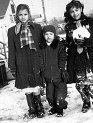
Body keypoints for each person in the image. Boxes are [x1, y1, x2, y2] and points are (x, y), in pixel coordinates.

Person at [8, 4, 45, 118]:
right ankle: (32, 108)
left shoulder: (37, 27)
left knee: (36, 85)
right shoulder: (12, 31)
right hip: (22, 62)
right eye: (20, 14)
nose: (23, 17)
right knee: (27, 86)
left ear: (29, 14)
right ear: (16, 16)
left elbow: (42, 45)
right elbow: (11, 49)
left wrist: (43, 60)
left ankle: (39, 106)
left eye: (25, 14)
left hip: (35, 60)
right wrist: (12, 66)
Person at [64, 0, 93, 113]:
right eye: (72, 11)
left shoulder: (90, 22)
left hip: (90, 55)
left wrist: (85, 42)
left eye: (76, 10)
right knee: (80, 82)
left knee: (91, 79)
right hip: (78, 57)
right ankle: (86, 102)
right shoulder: (68, 26)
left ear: (81, 9)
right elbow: (68, 43)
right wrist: (68, 43)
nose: (75, 13)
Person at [40, 25, 68, 117]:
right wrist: (42, 70)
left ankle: (60, 108)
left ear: (54, 34)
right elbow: (40, 59)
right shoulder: (42, 47)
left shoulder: (58, 45)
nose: (48, 36)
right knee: (50, 97)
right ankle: (55, 107)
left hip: (58, 75)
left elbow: (63, 57)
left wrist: (62, 68)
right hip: (48, 77)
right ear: (43, 35)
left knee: (59, 96)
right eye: (46, 34)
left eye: (51, 34)